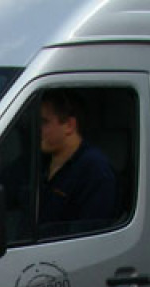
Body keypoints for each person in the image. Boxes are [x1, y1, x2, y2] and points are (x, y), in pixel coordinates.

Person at [37, 89, 117, 228]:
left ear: (69, 125)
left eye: (44, 122)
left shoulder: (95, 171)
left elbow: (89, 236)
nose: (37, 128)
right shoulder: (39, 161)